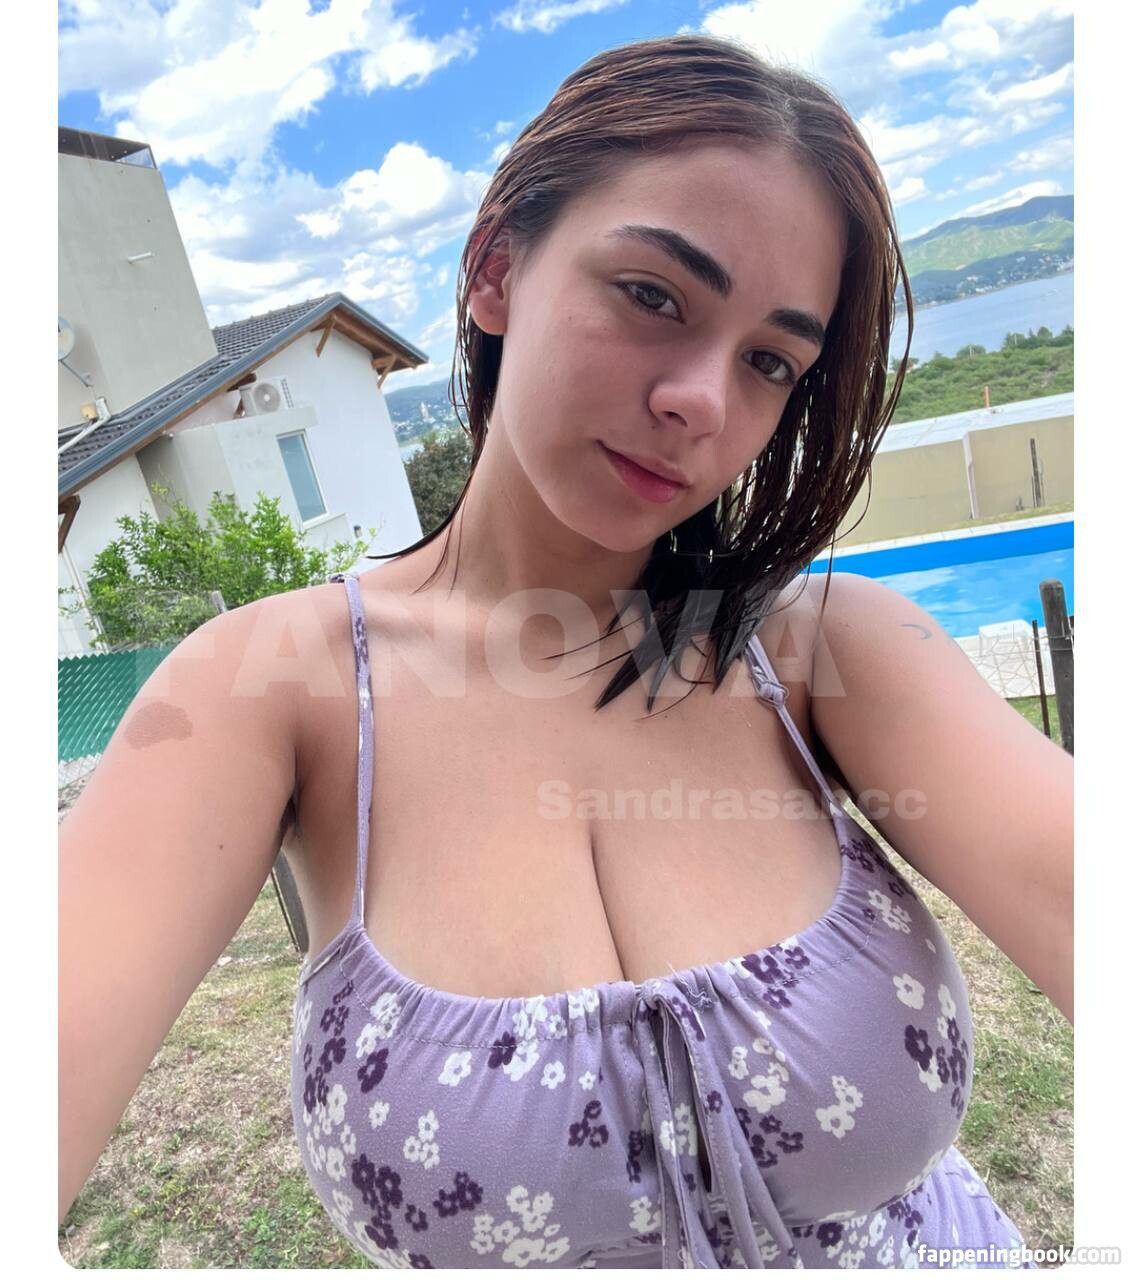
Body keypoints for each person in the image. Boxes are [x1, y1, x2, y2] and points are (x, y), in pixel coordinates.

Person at [59, 32, 1072, 1268]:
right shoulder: (269, 690)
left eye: (768, 360)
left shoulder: (825, 650)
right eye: (653, 294)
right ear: (495, 269)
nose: (703, 399)